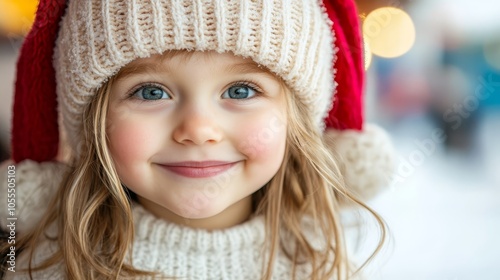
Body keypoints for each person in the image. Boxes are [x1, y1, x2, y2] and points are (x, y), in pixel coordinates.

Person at [0, 0, 395, 279]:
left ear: (296, 121)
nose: (198, 129)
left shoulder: (321, 265)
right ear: (93, 121)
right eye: (151, 92)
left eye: (240, 91)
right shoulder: (49, 269)